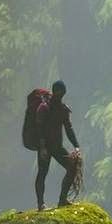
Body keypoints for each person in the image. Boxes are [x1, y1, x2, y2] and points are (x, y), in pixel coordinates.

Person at [34, 80, 81, 210]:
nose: (60, 94)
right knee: (42, 173)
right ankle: (40, 204)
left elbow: (69, 128)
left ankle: (62, 200)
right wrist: (42, 148)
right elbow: (39, 128)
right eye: (59, 92)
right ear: (55, 91)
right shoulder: (44, 107)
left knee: (72, 167)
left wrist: (76, 146)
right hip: (45, 147)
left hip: (57, 147)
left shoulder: (63, 109)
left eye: (62, 92)